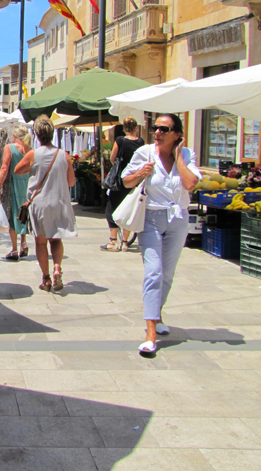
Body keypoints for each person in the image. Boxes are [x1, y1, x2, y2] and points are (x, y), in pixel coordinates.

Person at [122, 113, 200, 356]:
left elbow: (190, 184)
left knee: (167, 274)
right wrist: (141, 174)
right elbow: (126, 181)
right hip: (151, 218)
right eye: (155, 127)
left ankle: (157, 315)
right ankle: (150, 334)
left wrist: (178, 156)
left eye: (164, 129)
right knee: (154, 272)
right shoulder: (144, 153)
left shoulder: (187, 155)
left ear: (177, 135)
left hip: (178, 219)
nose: (157, 132)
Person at [14, 115, 76, 293]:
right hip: (59, 202)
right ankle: (57, 267)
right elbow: (71, 182)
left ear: (37, 135)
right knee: (56, 239)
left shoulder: (33, 154)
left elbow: (17, 170)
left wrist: (32, 169)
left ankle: (46, 278)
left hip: (39, 204)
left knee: (41, 242)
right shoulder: (64, 155)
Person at [102, 117, 144, 252]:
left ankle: (113, 241)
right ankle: (125, 242)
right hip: (134, 179)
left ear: (124, 128)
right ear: (136, 128)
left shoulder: (120, 140)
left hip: (120, 180)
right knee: (129, 209)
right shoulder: (141, 142)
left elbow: (113, 158)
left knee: (112, 208)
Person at [0, 126, 31, 260]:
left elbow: (5, 167)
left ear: (15, 136)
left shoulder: (10, 147)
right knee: (23, 213)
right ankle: (24, 242)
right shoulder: (29, 149)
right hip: (26, 184)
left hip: (13, 184)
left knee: (12, 215)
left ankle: (14, 249)